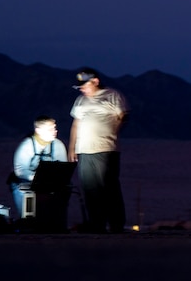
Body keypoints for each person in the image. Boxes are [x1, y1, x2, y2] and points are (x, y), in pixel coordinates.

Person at [68, 68, 129, 233]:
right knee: (90, 189)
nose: (82, 89)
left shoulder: (112, 96)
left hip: (106, 149)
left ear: (95, 82)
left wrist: (114, 129)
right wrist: (71, 148)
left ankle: (116, 224)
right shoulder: (81, 101)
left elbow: (123, 116)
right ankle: (97, 225)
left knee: (108, 187)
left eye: (85, 85)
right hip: (85, 151)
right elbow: (76, 124)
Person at [9, 115, 67, 216]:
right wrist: (37, 178)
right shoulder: (27, 145)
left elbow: (63, 168)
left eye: (54, 128)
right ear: (38, 130)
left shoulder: (58, 145)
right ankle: (27, 220)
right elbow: (20, 170)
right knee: (21, 190)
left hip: (50, 183)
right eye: (50, 129)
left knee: (64, 189)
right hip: (26, 182)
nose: (55, 131)